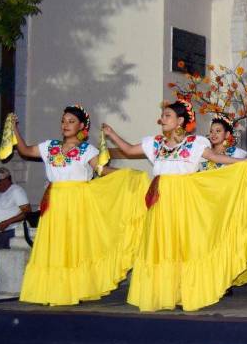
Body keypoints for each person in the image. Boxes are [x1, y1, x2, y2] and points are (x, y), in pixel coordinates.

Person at [103, 100, 247, 311]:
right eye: (163, 116)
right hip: (160, 200)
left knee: (183, 243)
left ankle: (184, 291)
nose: (162, 119)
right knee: (161, 243)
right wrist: (112, 134)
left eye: (167, 115)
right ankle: (161, 293)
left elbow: (215, 157)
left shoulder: (195, 143)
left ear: (180, 120)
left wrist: (243, 163)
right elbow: (130, 150)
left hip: (185, 199)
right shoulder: (156, 143)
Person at [9, 105, 150, 306]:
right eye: (63, 121)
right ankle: (51, 290)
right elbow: (24, 150)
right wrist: (13, 128)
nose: (65, 125)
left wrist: (128, 175)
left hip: (78, 202)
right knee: (55, 245)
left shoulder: (87, 150)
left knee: (74, 246)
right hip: (55, 201)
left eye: (71, 121)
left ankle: (73, 289)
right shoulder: (49, 146)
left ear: (81, 126)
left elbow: (101, 170)